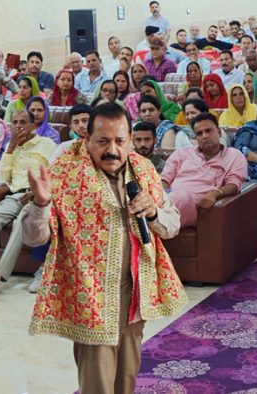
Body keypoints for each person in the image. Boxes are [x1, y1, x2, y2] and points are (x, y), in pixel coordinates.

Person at [24, 102, 186, 393]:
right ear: (86, 139)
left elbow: (171, 225)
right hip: (92, 297)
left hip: (136, 294)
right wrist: (41, 203)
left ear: (130, 140)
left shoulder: (144, 171)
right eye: (102, 141)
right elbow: (33, 238)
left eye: (120, 141)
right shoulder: (65, 173)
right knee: (98, 384)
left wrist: (152, 213)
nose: (112, 149)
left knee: (126, 379)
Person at [0, 110, 56, 290]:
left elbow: (53, 173)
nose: (19, 126)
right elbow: (5, 176)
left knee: (21, 222)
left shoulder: (47, 144)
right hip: (14, 194)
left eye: (23, 122)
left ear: (32, 125)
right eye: (15, 122)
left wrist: (37, 193)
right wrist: (11, 148)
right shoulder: (11, 146)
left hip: (35, 196)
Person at [162, 112, 248, 227]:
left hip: (193, 207)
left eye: (208, 131)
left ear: (219, 132)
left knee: (182, 198)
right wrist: (162, 194)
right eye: (199, 133)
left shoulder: (234, 156)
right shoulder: (182, 153)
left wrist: (215, 193)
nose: (204, 136)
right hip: (169, 199)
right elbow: (164, 180)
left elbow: (234, 184)